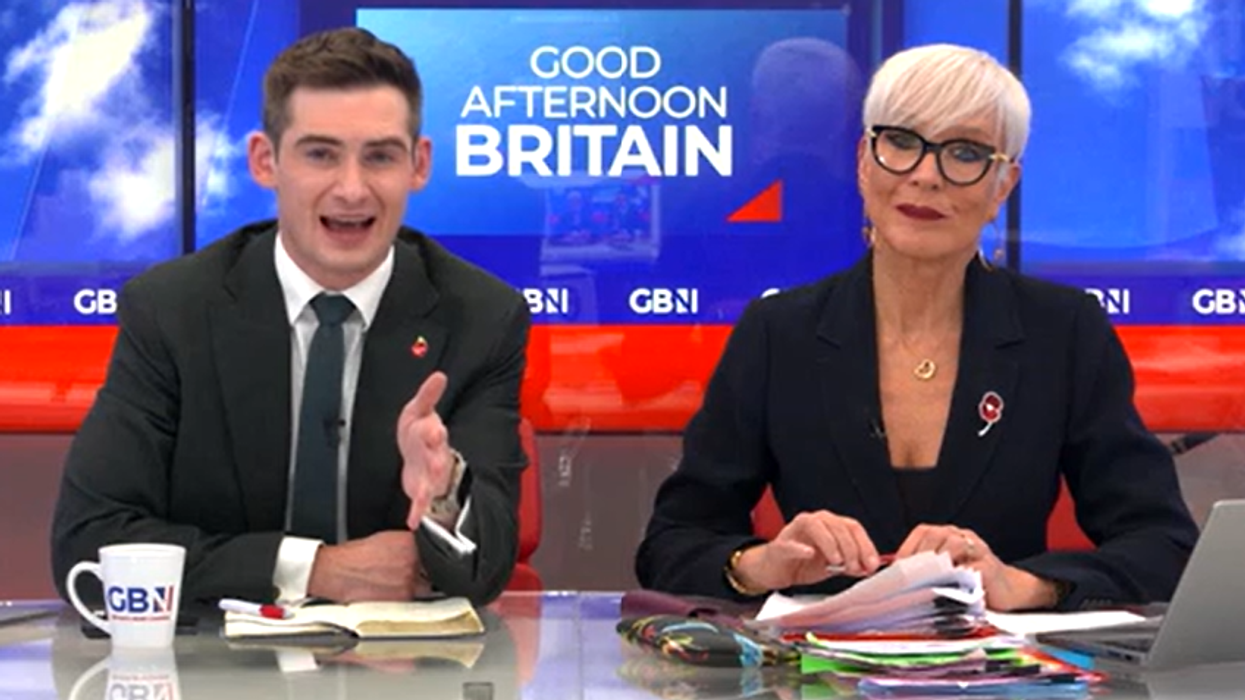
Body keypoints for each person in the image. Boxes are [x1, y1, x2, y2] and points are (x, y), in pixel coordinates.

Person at [635, 44, 1199, 611]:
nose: (926, 176)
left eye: (965, 152)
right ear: (863, 160)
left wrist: (1020, 584)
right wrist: (765, 564)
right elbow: (672, 546)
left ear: (1003, 184)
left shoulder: (1065, 332)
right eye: (901, 143)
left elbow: (1164, 549)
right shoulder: (778, 333)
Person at [51, 28, 530, 606]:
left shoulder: (481, 317)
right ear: (265, 161)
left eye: (379, 156)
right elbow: (88, 549)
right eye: (321, 154)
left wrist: (445, 491)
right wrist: (313, 570)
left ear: (419, 165)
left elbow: (486, 568)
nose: (352, 189)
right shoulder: (172, 311)